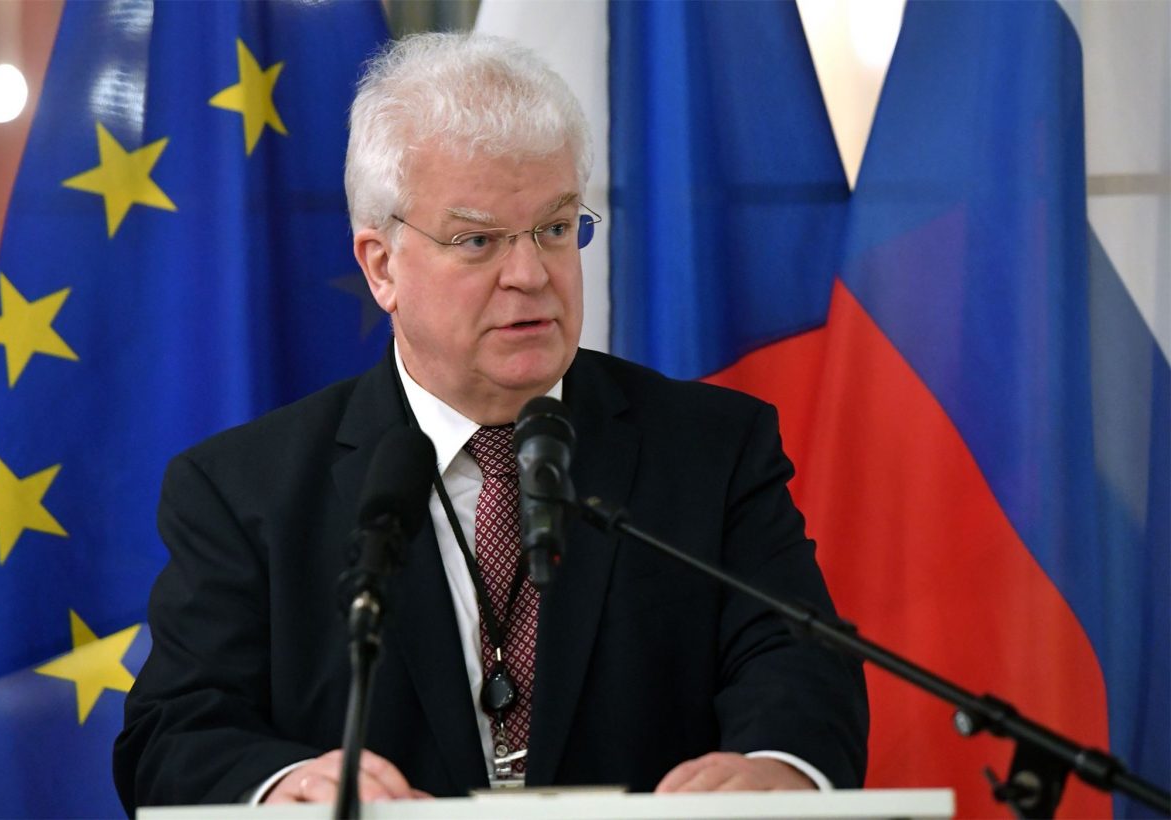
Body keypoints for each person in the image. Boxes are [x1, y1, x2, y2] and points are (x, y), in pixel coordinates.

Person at [113, 32, 867, 813]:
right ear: (381, 266)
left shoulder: (711, 449)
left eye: (554, 228)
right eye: (477, 241)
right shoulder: (245, 490)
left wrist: (778, 765)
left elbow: (800, 659)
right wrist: (285, 786)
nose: (531, 275)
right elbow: (175, 734)